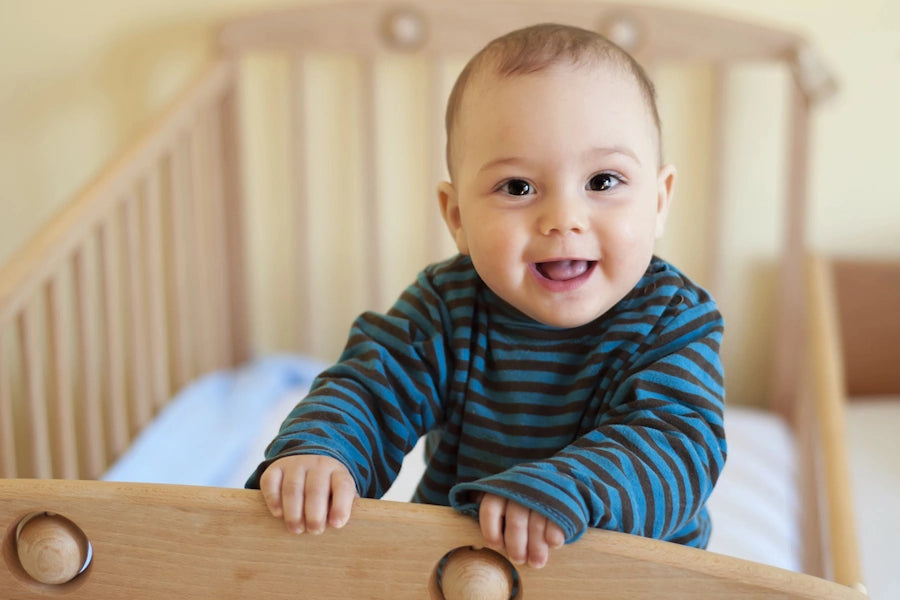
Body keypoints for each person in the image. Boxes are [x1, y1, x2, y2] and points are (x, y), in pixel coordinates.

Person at [246, 23, 726, 570]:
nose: (564, 219)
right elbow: (371, 388)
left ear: (660, 201)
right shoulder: (446, 307)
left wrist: (566, 487)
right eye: (518, 188)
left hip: (627, 578)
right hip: (458, 568)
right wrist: (322, 450)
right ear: (456, 217)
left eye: (603, 182)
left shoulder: (673, 319)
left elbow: (676, 446)